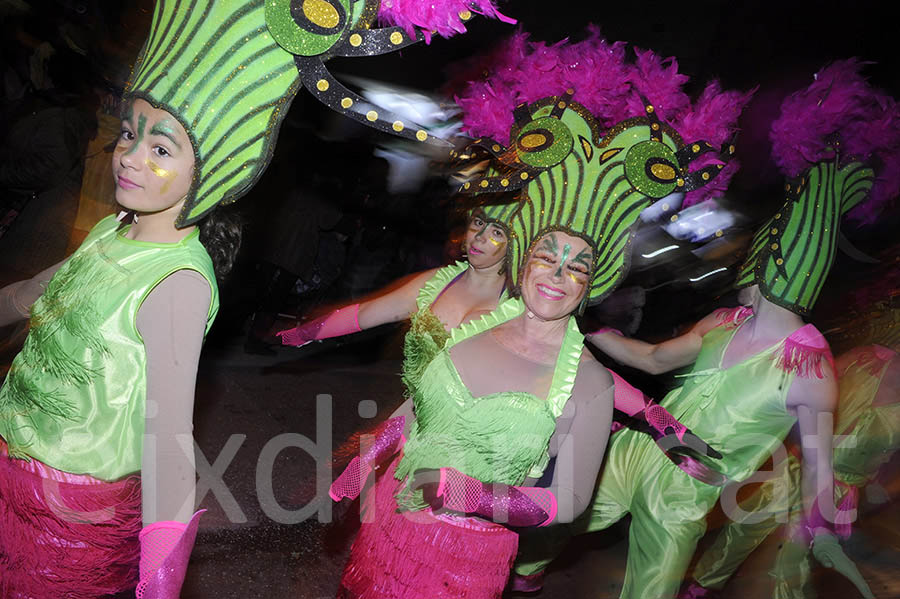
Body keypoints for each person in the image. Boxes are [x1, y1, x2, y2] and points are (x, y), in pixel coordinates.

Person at [0, 1, 514, 597]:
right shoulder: (110, 231)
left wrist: (159, 580)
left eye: (161, 148)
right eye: (128, 135)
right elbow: (31, 295)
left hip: (69, 516)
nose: (130, 156)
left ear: (209, 167)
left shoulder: (178, 284)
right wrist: (308, 330)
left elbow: (167, 445)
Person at [329, 27, 741, 591]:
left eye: (578, 266)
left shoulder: (588, 382)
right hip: (386, 524)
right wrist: (374, 448)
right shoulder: (471, 322)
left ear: (593, 285)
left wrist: (473, 495)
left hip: (461, 563)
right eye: (547, 255)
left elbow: (568, 502)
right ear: (522, 261)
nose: (558, 273)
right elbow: (425, 406)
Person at [513, 58, 898, 599]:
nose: (750, 256)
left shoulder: (811, 368)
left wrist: (820, 520)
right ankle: (517, 579)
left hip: (685, 496)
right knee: (547, 524)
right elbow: (652, 360)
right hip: (636, 453)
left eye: (763, 250)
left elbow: (818, 464)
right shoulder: (724, 320)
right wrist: (587, 326)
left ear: (773, 265)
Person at [680, 340, 899, 599]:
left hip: (835, 489)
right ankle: (701, 587)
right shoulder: (866, 356)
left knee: (792, 561)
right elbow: (811, 384)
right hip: (795, 464)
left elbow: (890, 456)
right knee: (742, 529)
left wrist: (875, 483)